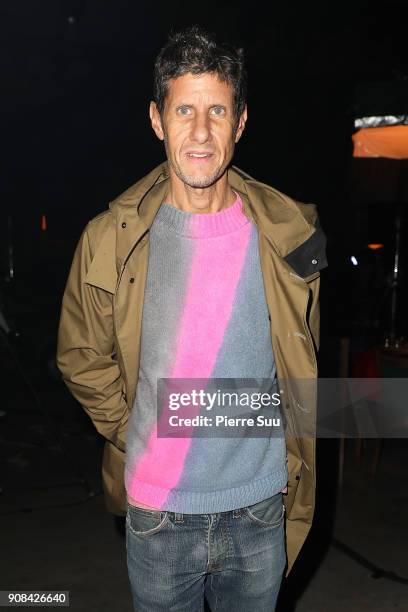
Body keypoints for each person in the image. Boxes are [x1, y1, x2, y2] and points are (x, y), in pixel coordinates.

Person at [57, 25, 327, 611]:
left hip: (260, 510)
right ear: (157, 119)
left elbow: (300, 366)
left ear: (241, 121)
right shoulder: (110, 239)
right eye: (184, 109)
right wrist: (136, 425)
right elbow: (80, 355)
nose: (201, 132)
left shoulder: (289, 237)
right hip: (158, 517)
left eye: (217, 111)